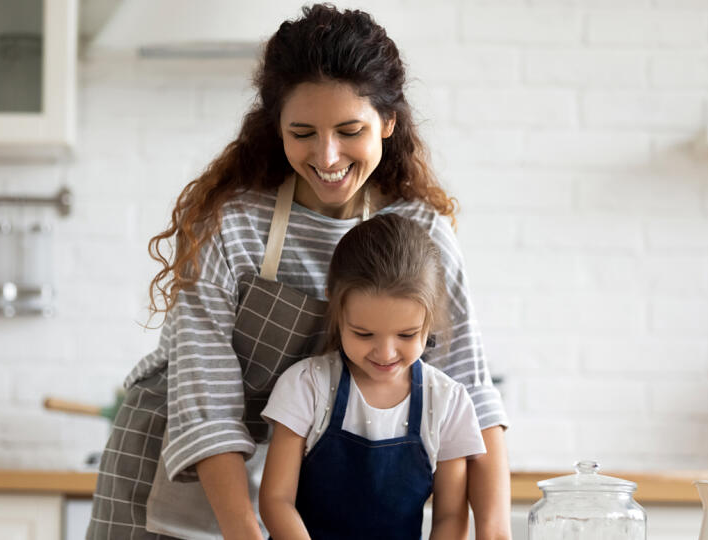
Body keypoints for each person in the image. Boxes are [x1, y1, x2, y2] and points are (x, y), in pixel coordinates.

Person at [87, 4, 511, 540]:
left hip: (303, 497)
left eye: (349, 129)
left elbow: (468, 388)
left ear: (388, 121)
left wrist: (495, 532)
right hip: (176, 469)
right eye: (303, 131)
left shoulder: (420, 233)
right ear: (277, 127)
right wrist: (248, 530)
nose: (327, 155)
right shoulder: (232, 226)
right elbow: (206, 399)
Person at [259, 214, 487, 540]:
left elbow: (450, 517)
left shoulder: (448, 402)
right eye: (364, 334)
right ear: (337, 310)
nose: (385, 353)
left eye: (407, 335)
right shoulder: (306, 386)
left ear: (431, 316)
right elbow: (276, 502)